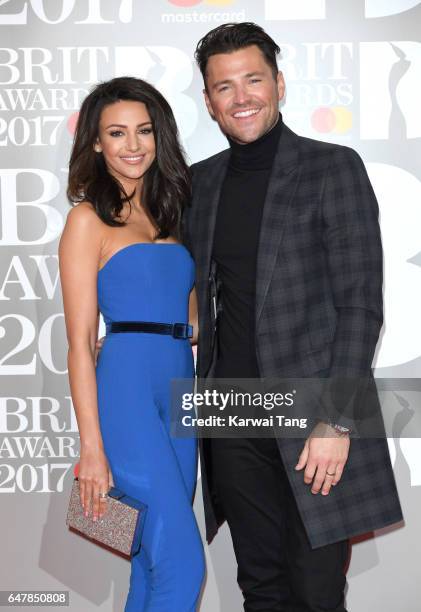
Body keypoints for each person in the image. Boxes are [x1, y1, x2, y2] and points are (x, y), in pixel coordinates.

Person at [181, 22, 403, 612]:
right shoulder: (199, 184)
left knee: (316, 589)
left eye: (253, 79)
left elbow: (361, 304)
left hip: (314, 416)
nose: (242, 96)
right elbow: (197, 299)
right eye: (224, 87)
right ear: (208, 101)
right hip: (230, 413)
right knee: (261, 587)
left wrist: (337, 421)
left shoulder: (333, 167)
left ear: (278, 83)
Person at [59, 76, 205, 611]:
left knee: (150, 560)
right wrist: (91, 450)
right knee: (181, 564)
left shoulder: (173, 214)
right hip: (124, 383)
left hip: (181, 388)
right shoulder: (85, 219)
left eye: (144, 131)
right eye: (117, 133)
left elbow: (189, 319)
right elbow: (79, 342)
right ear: (96, 143)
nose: (134, 145)